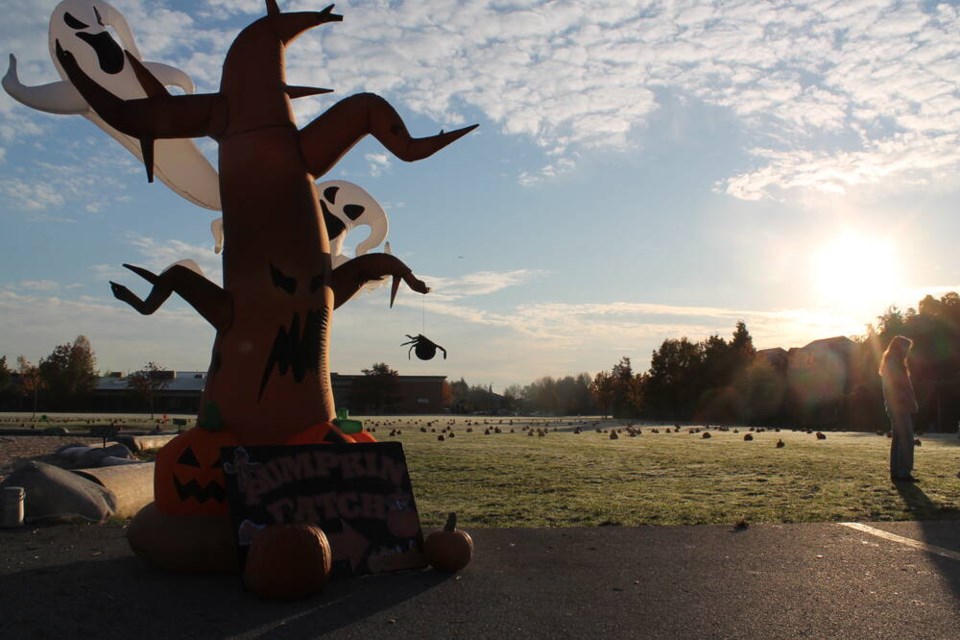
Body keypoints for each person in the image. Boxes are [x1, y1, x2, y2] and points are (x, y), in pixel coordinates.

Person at [879, 335, 919, 482]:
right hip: (899, 407)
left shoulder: (891, 363)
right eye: (906, 348)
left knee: (898, 440)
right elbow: (898, 388)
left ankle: (896, 472)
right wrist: (910, 402)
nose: (907, 352)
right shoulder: (894, 365)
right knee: (907, 439)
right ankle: (903, 472)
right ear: (898, 348)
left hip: (896, 406)